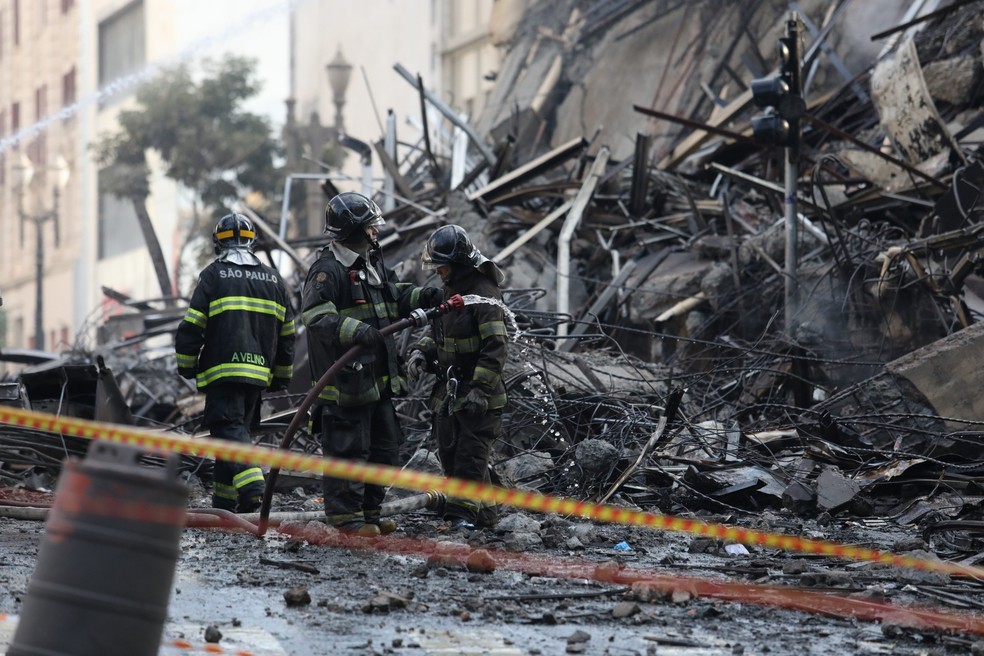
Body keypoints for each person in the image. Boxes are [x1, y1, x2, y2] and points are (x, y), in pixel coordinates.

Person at [301, 192, 443, 536]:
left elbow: (394, 297)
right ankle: (346, 521)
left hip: (377, 381)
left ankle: (370, 513)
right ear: (353, 230)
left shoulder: (371, 263)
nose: (375, 232)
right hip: (345, 384)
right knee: (348, 451)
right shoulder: (327, 271)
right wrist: (356, 330)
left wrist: (424, 296)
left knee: (385, 447)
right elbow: (316, 317)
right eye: (370, 227)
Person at [175, 212, 296, 513]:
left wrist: (187, 365)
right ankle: (226, 503)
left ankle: (254, 488)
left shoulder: (213, 275)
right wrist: (280, 376)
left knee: (228, 430)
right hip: (258, 374)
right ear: (253, 241)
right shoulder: (273, 279)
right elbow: (288, 333)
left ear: (218, 243)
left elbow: (192, 325)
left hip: (223, 372)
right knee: (230, 434)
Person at [406, 224, 509, 529]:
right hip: (450, 392)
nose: (438, 272)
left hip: (480, 395)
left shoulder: (484, 293)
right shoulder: (453, 288)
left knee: (470, 456)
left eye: (443, 265)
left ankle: (460, 518)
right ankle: (486, 514)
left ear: (459, 263)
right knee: (449, 451)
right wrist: (421, 352)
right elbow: (440, 330)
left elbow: (496, 346)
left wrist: (479, 388)